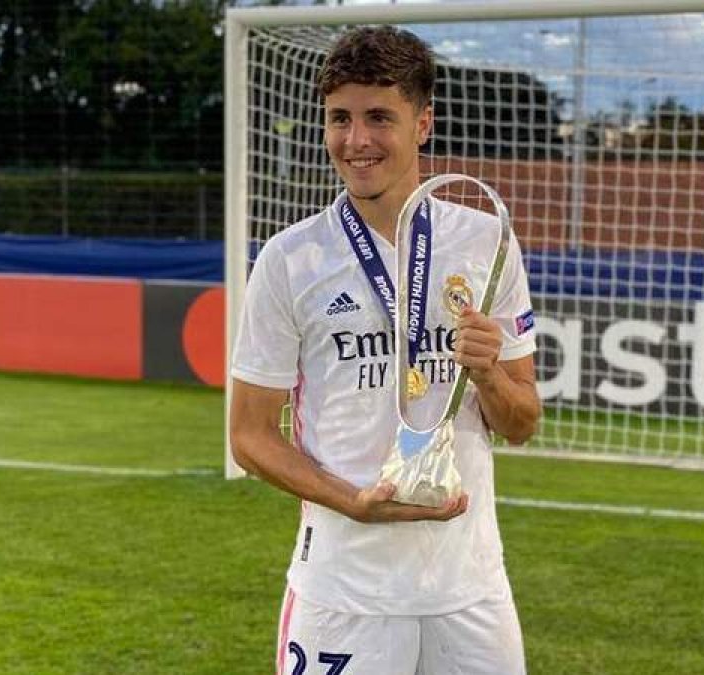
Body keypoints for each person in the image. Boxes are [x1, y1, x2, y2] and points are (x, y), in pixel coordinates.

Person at [228, 25, 541, 675]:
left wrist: (486, 373)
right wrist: (353, 502)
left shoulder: (487, 242)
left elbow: (522, 423)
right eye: (339, 118)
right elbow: (250, 435)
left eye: (379, 117)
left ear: (422, 123)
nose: (356, 140)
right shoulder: (289, 260)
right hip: (345, 590)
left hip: (470, 591)